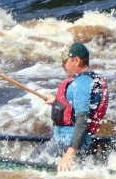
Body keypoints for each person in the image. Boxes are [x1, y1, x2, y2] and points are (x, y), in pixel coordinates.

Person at [44, 41, 109, 172]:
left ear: (77, 61)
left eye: (65, 61)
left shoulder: (80, 84)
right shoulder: (89, 80)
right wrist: (57, 102)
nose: (62, 65)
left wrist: (68, 156)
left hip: (68, 145)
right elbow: (75, 108)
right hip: (70, 142)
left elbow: (83, 120)